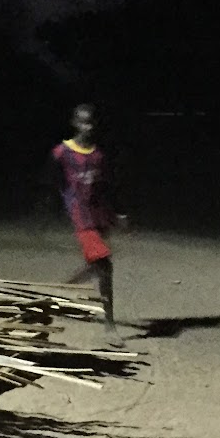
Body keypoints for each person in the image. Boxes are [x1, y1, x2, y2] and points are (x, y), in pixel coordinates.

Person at [50, 103, 126, 329]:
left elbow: (108, 185)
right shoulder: (61, 153)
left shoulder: (98, 155)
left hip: (99, 214)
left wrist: (118, 212)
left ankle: (61, 290)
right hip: (81, 217)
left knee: (95, 265)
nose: (88, 127)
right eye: (83, 122)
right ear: (74, 123)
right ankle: (109, 323)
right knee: (105, 266)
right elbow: (51, 184)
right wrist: (58, 207)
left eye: (91, 122)